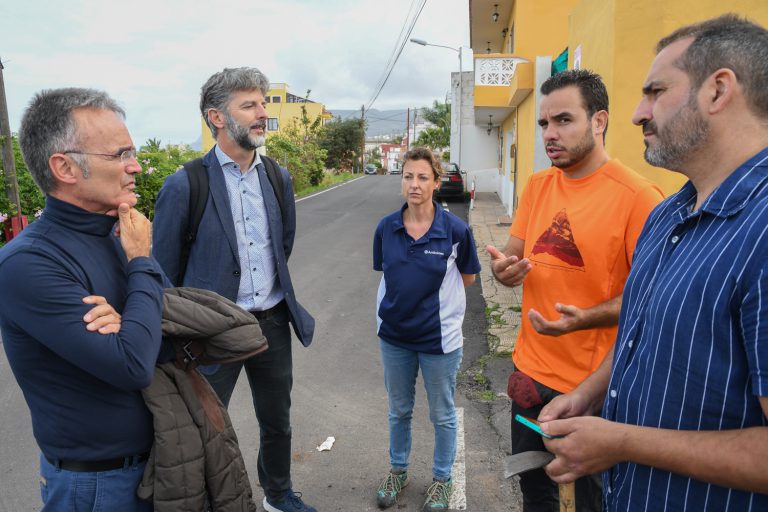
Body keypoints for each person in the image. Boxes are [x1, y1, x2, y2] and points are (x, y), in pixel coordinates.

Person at [537, 14, 768, 512]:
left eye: (656, 92)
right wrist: (590, 392)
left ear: (719, 90)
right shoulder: (668, 214)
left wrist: (621, 443)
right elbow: (642, 335)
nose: (637, 114)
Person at [486, 69, 664, 511]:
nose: (550, 133)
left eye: (563, 120)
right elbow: (513, 254)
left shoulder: (639, 198)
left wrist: (587, 318)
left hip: (593, 389)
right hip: (529, 375)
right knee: (535, 492)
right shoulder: (538, 184)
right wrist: (503, 271)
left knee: (588, 501)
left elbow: (653, 300)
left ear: (599, 121)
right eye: (544, 123)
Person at [152, 67, 316, 512]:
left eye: (262, 103)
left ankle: (278, 496)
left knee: (277, 422)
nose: (262, 113)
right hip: (210, 333)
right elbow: (163, 272)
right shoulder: (186, 184)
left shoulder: (277, 177)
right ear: (217, 117)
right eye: (249, 105)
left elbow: (281, 246)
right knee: (204, 427)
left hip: (271, 323)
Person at [0, 88, 165, 511]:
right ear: (65, 167)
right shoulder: (27, 263)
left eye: (133, 152)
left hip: (161, 461)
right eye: (120, 154)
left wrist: (130, 322)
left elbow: (170, 324)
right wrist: (141, 263)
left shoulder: (117, 233)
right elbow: (133, 364)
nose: (135, 165)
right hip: (96, 485)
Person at [373, 147, 481, 511]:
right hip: (395, 338)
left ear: (436, 182)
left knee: (442, 414)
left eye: (422, 177)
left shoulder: (456, 230)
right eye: (408, 176)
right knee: (399, 410)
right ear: (401, 180)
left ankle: (442, 480)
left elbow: (467, 278)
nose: (414, 184)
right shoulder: (386, 228)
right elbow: (387, 274)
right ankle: (398, 471)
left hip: (439, 341)